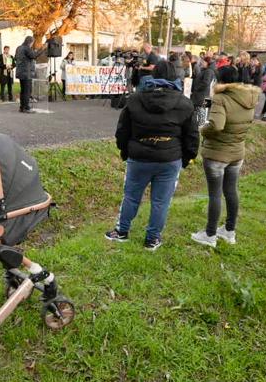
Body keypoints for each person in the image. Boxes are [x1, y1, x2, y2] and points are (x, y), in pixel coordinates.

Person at [105, 60, 198, 251]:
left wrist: (125, 151)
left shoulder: (136, 98)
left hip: (139, 156)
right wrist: (187, 158)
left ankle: (122, 231)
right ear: (175, 77)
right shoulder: (184, 103)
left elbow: (122, 130)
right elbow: (192, 135)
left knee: (130, 196)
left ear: (153, 75)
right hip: (169, 157)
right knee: (161, 201)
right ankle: (152, 239)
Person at [190, 65, 258, 248]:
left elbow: (217, 125)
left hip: (217, 153)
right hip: (237, 152)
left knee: (215, 195)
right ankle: (229, 231)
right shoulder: (249, 97)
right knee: (231, 190)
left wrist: (202, 130)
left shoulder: (221, 98)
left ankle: (210, 235)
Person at [15, 35, 45, 113]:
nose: (32, 44)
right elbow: (34, 56)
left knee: (23, 90)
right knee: (27, 91)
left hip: (20, 72)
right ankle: (26, 107)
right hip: (26, 72)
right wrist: (42, 49)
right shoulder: (26, 48)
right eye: (32, 43)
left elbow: (16, 57)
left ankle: (22, 107)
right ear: (30, 42)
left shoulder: (18, 48)